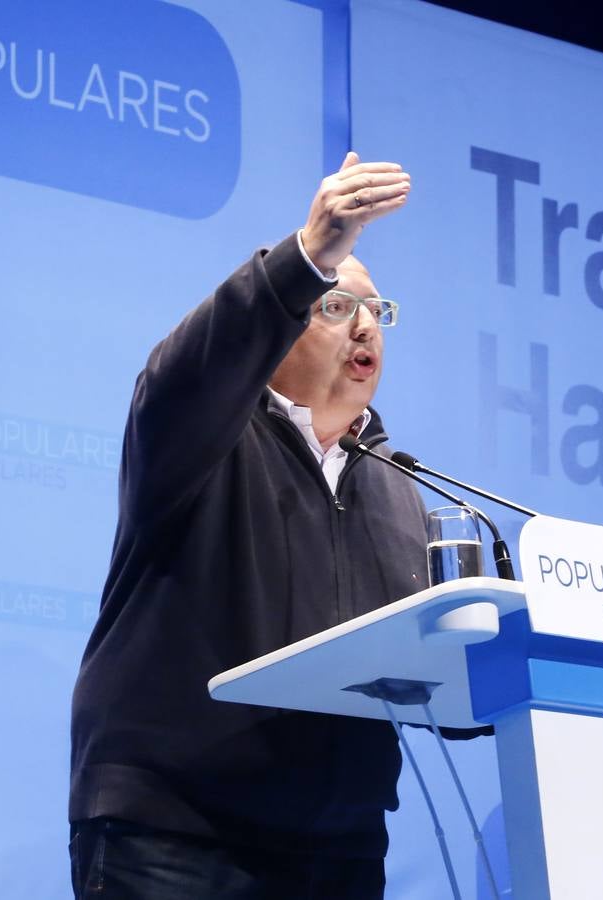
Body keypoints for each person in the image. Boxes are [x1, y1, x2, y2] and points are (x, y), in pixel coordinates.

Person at [70, 152, 435, 897]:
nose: (364, 326)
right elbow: (199, 363)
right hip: (176, 836)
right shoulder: (199, 434)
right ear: (279, 327)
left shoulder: (401, 490)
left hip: (338, 851)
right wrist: (309, 255)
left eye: (376, 311)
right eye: (336, 304)